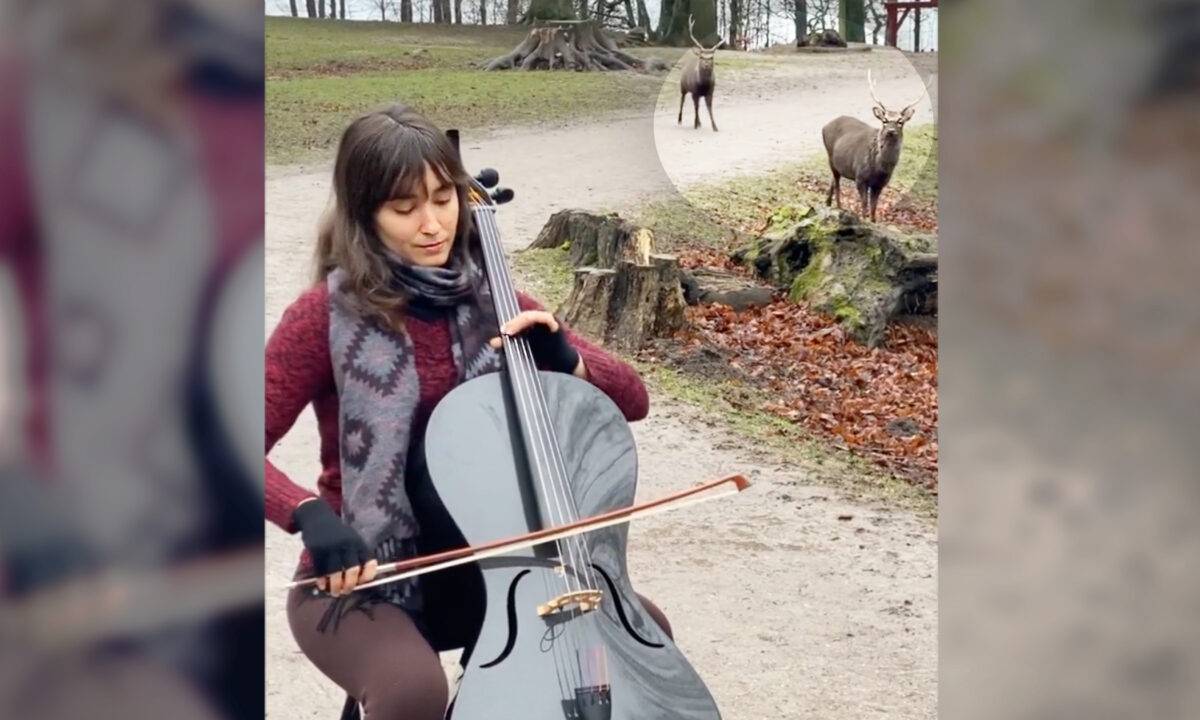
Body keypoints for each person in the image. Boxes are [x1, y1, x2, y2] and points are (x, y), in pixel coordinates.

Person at [265, 104, 674, 720]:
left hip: (505, 570)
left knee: (641, 634)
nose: (432, 224)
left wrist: (568, 360)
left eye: (443, 199)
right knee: (411, 692)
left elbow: (633, 401)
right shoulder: (324, 316)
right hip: (368, 574)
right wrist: (307, 514)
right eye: (404, 208)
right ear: (365, 215)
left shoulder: (497, 299)